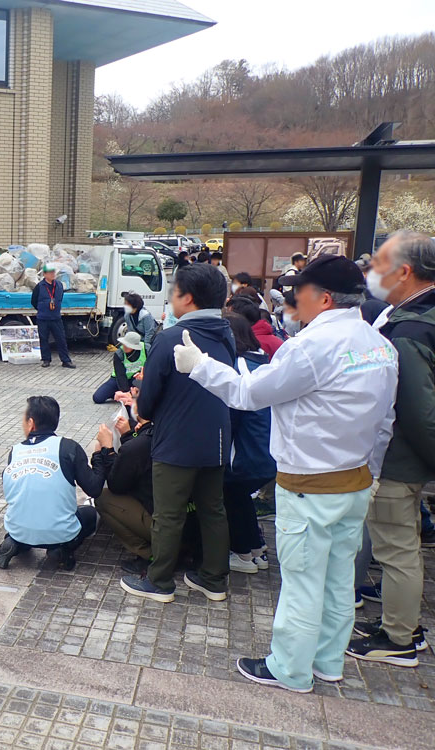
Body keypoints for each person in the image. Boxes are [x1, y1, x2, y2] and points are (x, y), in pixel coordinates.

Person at [175, 254, 398, 693]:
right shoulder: (379, 346)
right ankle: (327, 661)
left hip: (308, 486)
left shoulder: (311, 348)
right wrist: (371, 475)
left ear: (325, 298)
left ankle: (290, 670)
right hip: (355, 481)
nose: (294, 301)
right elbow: (385, 422)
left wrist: (199, 366)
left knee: (302, 583)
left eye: (301, 293)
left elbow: (248, 393)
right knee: (337, 580)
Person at [120, 263, 235, 604]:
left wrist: (141, 409)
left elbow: (148, 399)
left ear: (188, 298)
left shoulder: (170, 338)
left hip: (176, 443)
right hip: (217, 440)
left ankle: (159, 582)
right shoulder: (226, 334)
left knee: (168, 514)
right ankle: (214, 579)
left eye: (174, 292)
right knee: (213, 510)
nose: (170, 298)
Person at [346, 231, 435, 667]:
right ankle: (403, 624)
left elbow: (416, 411)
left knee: (396, 549)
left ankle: (400, 637)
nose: (372, 272)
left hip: (398, 458)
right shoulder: (420, 317)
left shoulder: (410, 330)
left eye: (380, 264)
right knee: (403, 544)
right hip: (410, 455)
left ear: (404, 271)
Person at [0, 396, 105, 571]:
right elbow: (94, 489)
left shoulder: (15, 451)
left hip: (18, 529)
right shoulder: (68, 447)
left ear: (31, 423)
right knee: (91, 514)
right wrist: (99, 456)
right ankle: (60, 548)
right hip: (60, 532)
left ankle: (15, 542)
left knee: (28, 515)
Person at [221, 312, 275, 573]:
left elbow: (232, 415)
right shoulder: (261, 361)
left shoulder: (238, 366)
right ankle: (256, 549)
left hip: (248, 453)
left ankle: (242, 554)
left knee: (230, 494)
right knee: (241, 497)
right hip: (268, 452)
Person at [95, 401, 155, 574]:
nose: (131, 400)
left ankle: (151, 554)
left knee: (103, 497)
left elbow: (116, 485)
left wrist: (106, 450)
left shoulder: (141, 443)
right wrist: (129, 435)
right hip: (191, 524)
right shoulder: (168, 431)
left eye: (136, 397)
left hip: (164, 525)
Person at [32, 265, 74, 369]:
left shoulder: (59, 285)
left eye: (53, 272)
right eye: (50, 273)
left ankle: (66, 360)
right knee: (44, 339)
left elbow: (60, 298)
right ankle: (46, 359)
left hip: (56, 317)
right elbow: (34, 301)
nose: (52, 274)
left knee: (61, 339)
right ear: (45, 274)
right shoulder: (39, 286)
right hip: (43, 318)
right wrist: (42, 308)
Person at [92, 331, 146, 403]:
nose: (124, 347)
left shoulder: (146, 349)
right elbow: (120, 375)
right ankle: (119, 393)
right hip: (118, 379)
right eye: (124, 344)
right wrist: (126, 392)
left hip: (137, 379)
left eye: (127, 345)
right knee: (98, 398)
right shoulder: (119, 353)